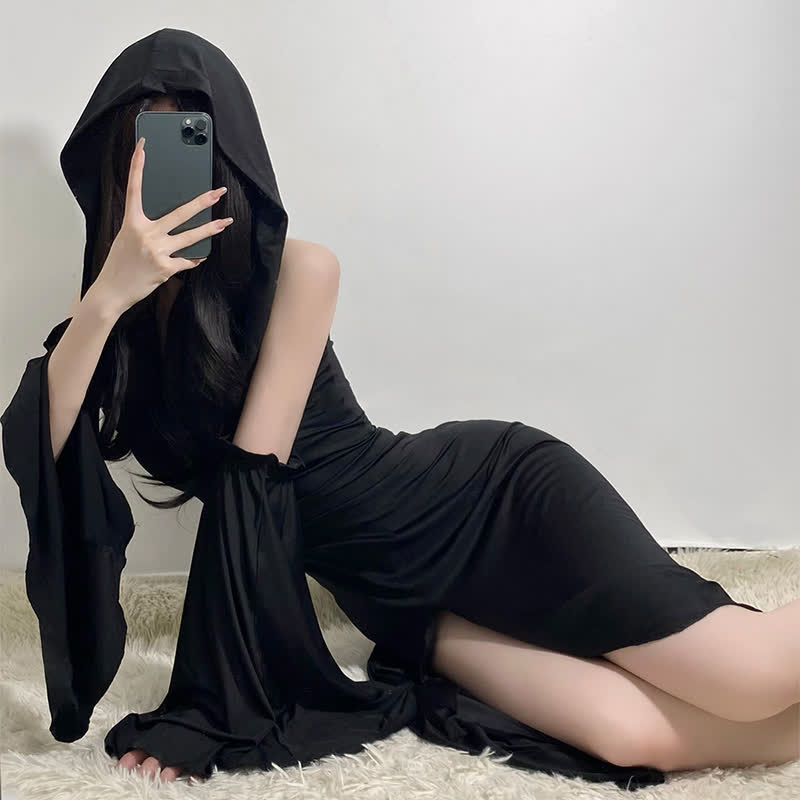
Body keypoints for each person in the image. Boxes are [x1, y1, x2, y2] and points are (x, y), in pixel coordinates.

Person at [3, 27, 797, 792]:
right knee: (631, 736)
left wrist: (209, 708)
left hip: (492, 505)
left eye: (189, 140)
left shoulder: (299, 272)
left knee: (751, 677)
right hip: (401, 604)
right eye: (139, 150)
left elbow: (252, 484)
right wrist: (108, 296)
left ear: (230, 158)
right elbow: (44, 437)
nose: (162, 174)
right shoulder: (110, 318)